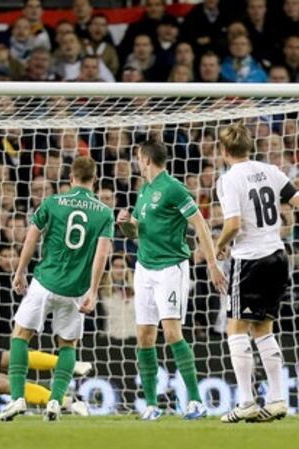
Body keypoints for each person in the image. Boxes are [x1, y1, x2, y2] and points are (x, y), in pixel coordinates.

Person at [117, 139, 226, 421]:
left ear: (145, 160)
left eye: (137, 158)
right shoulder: (144, 190)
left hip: (170, 269)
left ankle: (195, 402)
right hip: (144, 268)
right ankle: (152, 405)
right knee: (144, 335)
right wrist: (126, 224)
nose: (136, 162)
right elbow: (137, 233)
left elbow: (200, 224)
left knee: (172, 332)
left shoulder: (174, 188)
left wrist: (212, 264)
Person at [0, 157, 113, 422]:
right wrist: (93, 291)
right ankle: (55, 401)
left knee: (20, 336)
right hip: (75, 290)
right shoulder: (104, 213)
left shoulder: (52, 203)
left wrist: (19, 270)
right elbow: (102, 254)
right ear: (94, 181)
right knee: (67, 344)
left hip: (44, 283)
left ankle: (17, 399)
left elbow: (31, 236)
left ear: (71, 179)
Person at [215, 123, 299, 423]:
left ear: (224, 151)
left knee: (236, 328)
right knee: (264, 328)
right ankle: (277, 400)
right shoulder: (271, 170)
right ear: (249, 147)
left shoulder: (228, 180)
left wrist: (219, 245)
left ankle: (247, 402)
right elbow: (296, 200)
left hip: (250, 259)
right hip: (277, 256)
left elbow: (234, 224)